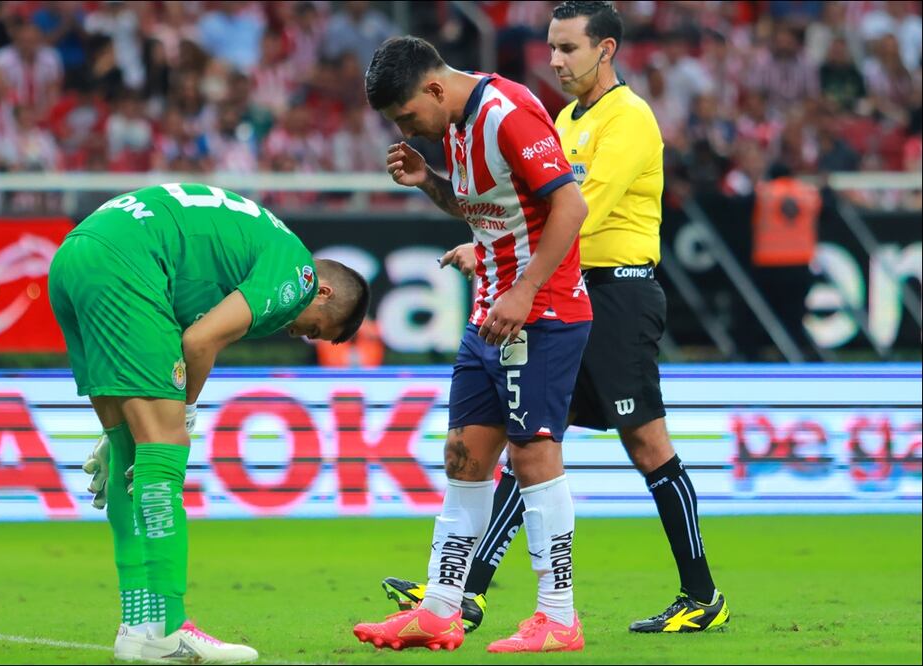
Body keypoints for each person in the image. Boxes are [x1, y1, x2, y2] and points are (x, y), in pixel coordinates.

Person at [380, 1, 731, 635]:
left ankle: (701, 593)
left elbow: (577, 210)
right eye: (551, 48)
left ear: (606, 50)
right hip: (560, 293)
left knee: (644, 443)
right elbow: (524, 210)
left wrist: (509, 258)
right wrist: (485, 236)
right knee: (531, 442)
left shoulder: (629, 117)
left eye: (568, 48)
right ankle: (466, 591)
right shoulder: (565, 119)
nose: (555, 61)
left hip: (616, 291)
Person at [50, 182, 369, 664]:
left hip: (77, 253)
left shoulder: (257, 244)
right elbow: (199, 342)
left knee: (126, 449)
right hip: (127, 261)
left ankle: (138, 626)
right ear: (322, 292)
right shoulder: (297, 273)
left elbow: (182, 336)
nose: (300, 334)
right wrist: (185, 412)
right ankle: (168, 629)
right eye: (316, 329)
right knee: (165, 448)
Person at [352, 36, 592, 654]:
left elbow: (571, 206)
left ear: (435, 87)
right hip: (490, 314)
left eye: (408, 115)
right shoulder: (456, 125)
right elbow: (486, 211)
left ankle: (558, 616)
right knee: (463, 457)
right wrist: (428, 182)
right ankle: (439, 610)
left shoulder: (508, 114)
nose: (408, 129)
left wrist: (524, 290)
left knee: (532, 457)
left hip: (540, 313)